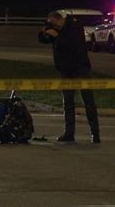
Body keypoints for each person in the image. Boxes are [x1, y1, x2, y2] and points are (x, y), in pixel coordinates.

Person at [38, 11, 100, 143]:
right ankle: (69, 133)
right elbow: (42, 39)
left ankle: (95, 134)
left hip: (80, 68)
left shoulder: (74, 27)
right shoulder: (57, 30)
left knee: (88, 102)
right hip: (66, 71)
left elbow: (72, 45)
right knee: (68, 103)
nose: (53, 27)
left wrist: (57, 35)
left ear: (59, 20)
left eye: (54, 24)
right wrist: (45, 31)